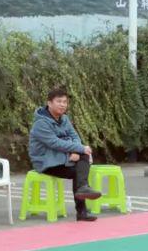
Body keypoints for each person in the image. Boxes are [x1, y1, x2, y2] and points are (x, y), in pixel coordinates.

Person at [28, 87, 102, 222]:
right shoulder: (40, 123)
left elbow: (75, 136)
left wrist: (76, 150)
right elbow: (54, 143)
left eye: (65, 102)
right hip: (46, 162)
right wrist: (77, 150)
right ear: (49, 103)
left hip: (62, 158)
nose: (62, 105)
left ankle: (82, 198)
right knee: (80, 169)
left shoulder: (64, 119)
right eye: (59, 101)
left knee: (82, 159)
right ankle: (82, 209)